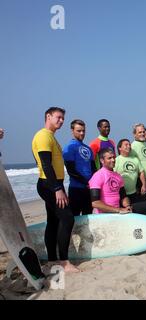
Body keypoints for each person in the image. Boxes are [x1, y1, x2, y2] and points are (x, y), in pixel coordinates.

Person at [31, 107, 79, 273]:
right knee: (67, 219)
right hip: (49, 185)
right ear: (48, 116)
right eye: (58, 117)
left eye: (63, 118)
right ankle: (64, 263)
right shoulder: (43, 136)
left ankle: (52, 260)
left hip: (52, 184)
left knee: (54, 221)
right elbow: (45, 164)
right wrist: (57, 188)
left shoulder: (51, 136)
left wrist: (59, 186)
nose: (61, 121)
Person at [63, 120, 96, 216]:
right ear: (72, 131)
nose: (82, 133)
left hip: (88, 189)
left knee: (88, 216)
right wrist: (86, 183)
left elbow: (93, 168)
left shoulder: (88, 148)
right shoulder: (69, 147)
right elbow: (71, 170)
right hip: (76, 189)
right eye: (79, 131)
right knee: (75, 217)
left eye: (83, 131)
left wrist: (93, 183)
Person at [115, 139, 146, 216]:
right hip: (122, 194)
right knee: (126, 214)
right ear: (120, 148)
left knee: (137, 212)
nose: (129, 146)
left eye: (129, 145)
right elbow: (113, 175)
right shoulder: (117, 160)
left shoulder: (135, 159)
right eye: (126, 145)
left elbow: (141, 172)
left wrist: (143, 185)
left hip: (134, 192)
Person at [88, 148, 132, 214]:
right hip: (102, 215)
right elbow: (95, 203)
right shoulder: (97, 176)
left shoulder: (118, 176)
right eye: (109, 158)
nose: (113, 160)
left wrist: (127, 206)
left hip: (117, 212)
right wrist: (118, 209)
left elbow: (123, 196)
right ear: (102, 160)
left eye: (114, 157)